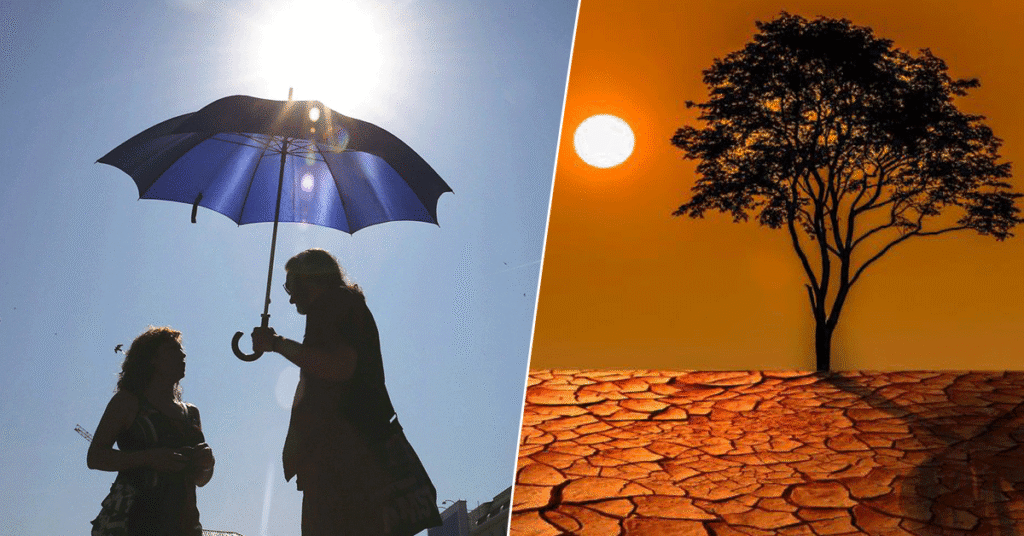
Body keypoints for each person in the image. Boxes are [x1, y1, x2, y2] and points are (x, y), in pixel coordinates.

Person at [251, 248, 439, 536]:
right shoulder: (337, 307)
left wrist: (276, 343)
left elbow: (339, 367)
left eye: (291, 285)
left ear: (309, 279)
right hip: (347, 455)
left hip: (347, 462)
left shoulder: (333, 303)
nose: (290, 296)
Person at [88, 326, 214, 536]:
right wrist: (149, 458)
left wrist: (207, 463)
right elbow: (95, 457)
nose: (183, 355)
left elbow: (200, 480)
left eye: (182, 350)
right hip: (133, 522)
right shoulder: (127, 403)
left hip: (183, 524)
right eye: (174, 350)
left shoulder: (191, 413)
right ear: (152, 359)